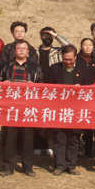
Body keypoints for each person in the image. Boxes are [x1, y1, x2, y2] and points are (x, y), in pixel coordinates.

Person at [0, 40, 44, 177]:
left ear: (28, 51)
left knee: (27, 139)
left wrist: (34, 85)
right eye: (19, 48)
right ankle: (8, 166)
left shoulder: (36, 67)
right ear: (14, 51)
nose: (21, 50)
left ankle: (27, 167)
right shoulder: (6, 66)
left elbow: (42, 86)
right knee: (9, 138)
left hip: (27, 107)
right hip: (11, 107)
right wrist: (3, 83)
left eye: (24, 48)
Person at [47, 45, 92, 176]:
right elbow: (47, 86)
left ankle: (71, 165)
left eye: (70, 59)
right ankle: (59, 165)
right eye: (65, 59)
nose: (68, 62)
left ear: (75, 57)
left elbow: (90, 87)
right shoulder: (55, 68)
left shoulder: (84, 69)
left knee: (74, 139)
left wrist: (81, 88)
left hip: (76, 110)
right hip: (59, 109)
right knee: (59, 138)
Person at [35, 26, 71, 156]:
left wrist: (56, 35)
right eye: (45, 36)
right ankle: (38, 145)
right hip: (38, 88)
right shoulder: (34, 51)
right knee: (38, 117)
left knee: (51, 117)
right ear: (41, 37)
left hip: (54, 89)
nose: (47, 38)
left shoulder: (58, 52)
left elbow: (70, 46)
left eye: (49, 36)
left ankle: (49, 145)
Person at [78, 37, 95, 159]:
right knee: (77, 123)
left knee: (89, 123)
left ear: (93, 47)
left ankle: (88, 151)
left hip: (92, 96)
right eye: (85, 45)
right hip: (77, 95)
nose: (87, 47)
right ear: (81, 46)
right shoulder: (76, 59)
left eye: (90, 45)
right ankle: (75, 151)